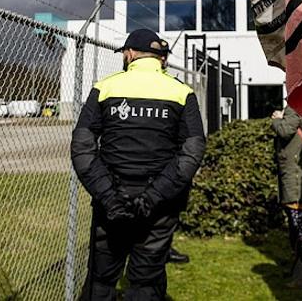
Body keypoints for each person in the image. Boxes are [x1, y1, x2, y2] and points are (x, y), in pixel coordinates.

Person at [72, 29, 205, 301]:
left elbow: (82, 147)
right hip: (160, 206)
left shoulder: (105, 87)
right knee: (147, 281)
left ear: (129, 54)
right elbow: (192, 152)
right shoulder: (181, 92)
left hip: (111, 202)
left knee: (102, 280)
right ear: (162, 60)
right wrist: (153, 197)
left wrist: (109, 197)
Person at [271, 105, 302, 252]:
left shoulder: (297, 106)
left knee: (298, 229)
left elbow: (285, 130)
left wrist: (277, 120)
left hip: (296, 177)